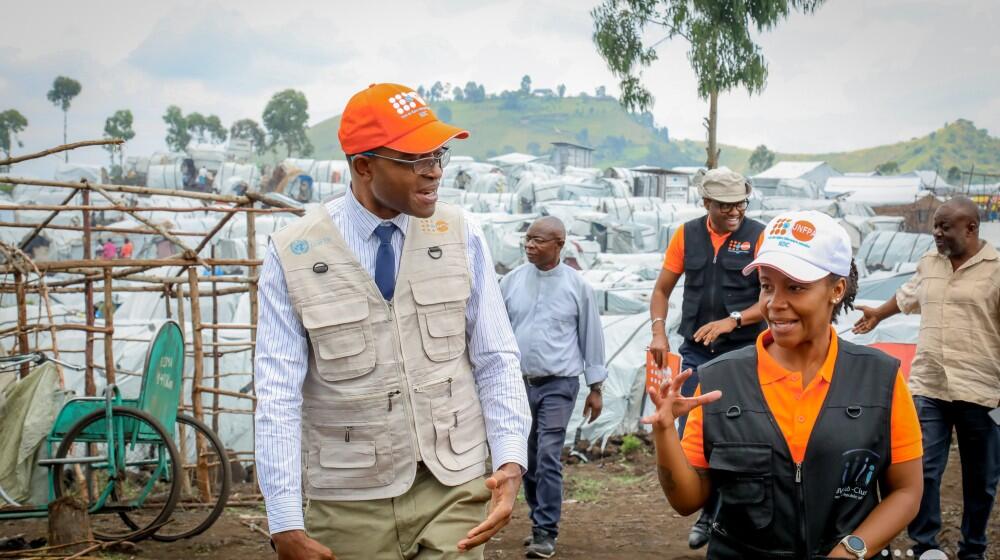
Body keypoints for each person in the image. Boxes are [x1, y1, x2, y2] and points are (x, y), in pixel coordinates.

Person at [254, 83, 531, 560]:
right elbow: (276, 391)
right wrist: (283, 521)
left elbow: (496, 357)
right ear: (364, 166)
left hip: (454, 484)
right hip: (349, 499)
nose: (434, 171)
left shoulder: (462, 234)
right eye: (414, 159)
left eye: (438, 154)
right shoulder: (292, 254)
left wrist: (510, 459)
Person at [643, 210, 924, 559]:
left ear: (836, 290)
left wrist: (851, 550)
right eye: (766, 286)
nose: (775, 304)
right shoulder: (718, 381)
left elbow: (907, 491)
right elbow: (687, 501)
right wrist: (665, 434)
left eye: (795, 287)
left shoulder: (879, 379)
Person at [853, 196, 1000, 560]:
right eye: (935, 225)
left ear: (971, 228)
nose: (936, 233)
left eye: (944, 227)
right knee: (924, 469)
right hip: (929, 385)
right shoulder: (929, 263)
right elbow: (908, 296)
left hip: (981, 389)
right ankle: (926, 546)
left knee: (980, 480)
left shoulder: (996, 269)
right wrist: (877, 315)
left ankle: (974, 548)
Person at [647, 166, 767, 549]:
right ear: (706, 203)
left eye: (740, 205)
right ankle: (704, 511)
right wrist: (659, 330)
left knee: (739, 431)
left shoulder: (759, 236)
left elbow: (769, 301)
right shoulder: (687, 234)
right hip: (696, 351)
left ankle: (724, 513)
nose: (735, 212)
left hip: (744, 350)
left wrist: (733, 321)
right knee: (694, 431)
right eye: (726, 206)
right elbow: (662, 290)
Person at [499, 216, 606, 559]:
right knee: (527, 458)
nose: (530, 245)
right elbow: (497, 332)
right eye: (528, 239)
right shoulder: (512, 282)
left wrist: (596, 387)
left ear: (559, 244)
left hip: (559, 383)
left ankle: (546, 531)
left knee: (547, 454)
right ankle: (537, 523)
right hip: (519, 384)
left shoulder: (578, 287)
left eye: (539, 240)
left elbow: (592, 336)